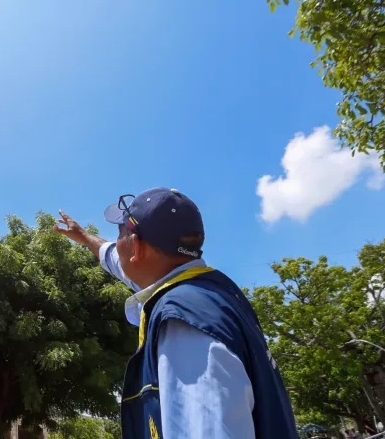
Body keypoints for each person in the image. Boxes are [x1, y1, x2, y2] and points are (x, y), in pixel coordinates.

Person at [54, 187, 298, 439]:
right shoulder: (209, 291)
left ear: (136, 248)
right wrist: (83, 237)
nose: (116, 245)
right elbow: (115, 259)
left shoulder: (184, 323)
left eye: (120, 233)